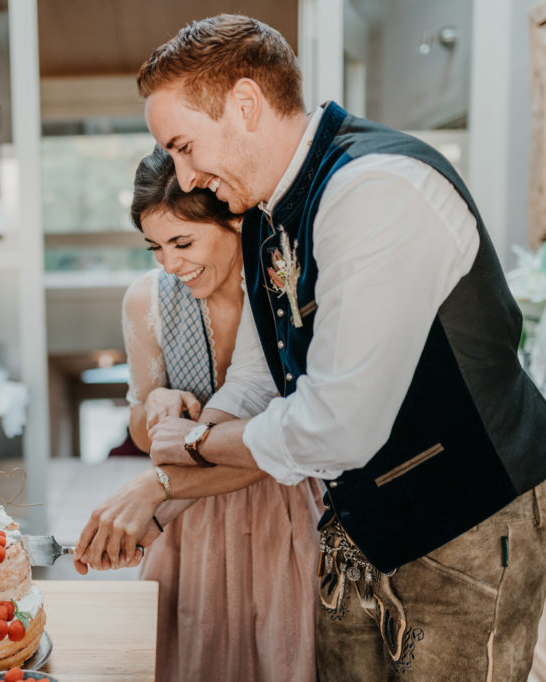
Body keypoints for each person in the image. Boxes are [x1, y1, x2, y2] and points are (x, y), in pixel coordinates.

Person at [87, 14, 546, 681]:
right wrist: (172, 465)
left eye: (185, 146)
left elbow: (337, 424)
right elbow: (261, 381)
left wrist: (195, 449)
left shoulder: (376, 188)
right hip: (358, 533)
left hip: (466, 535)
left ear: (247, 105)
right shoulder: (266, 218)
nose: (186, 176)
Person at [72, 147, 322, 682]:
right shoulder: (149, 302)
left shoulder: (284, 285)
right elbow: (142, 433)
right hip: (190, 514)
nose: (169, 263)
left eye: (183, 242)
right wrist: (157, 408)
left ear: (235, 219)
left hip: (285, 504)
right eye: (155, 247)